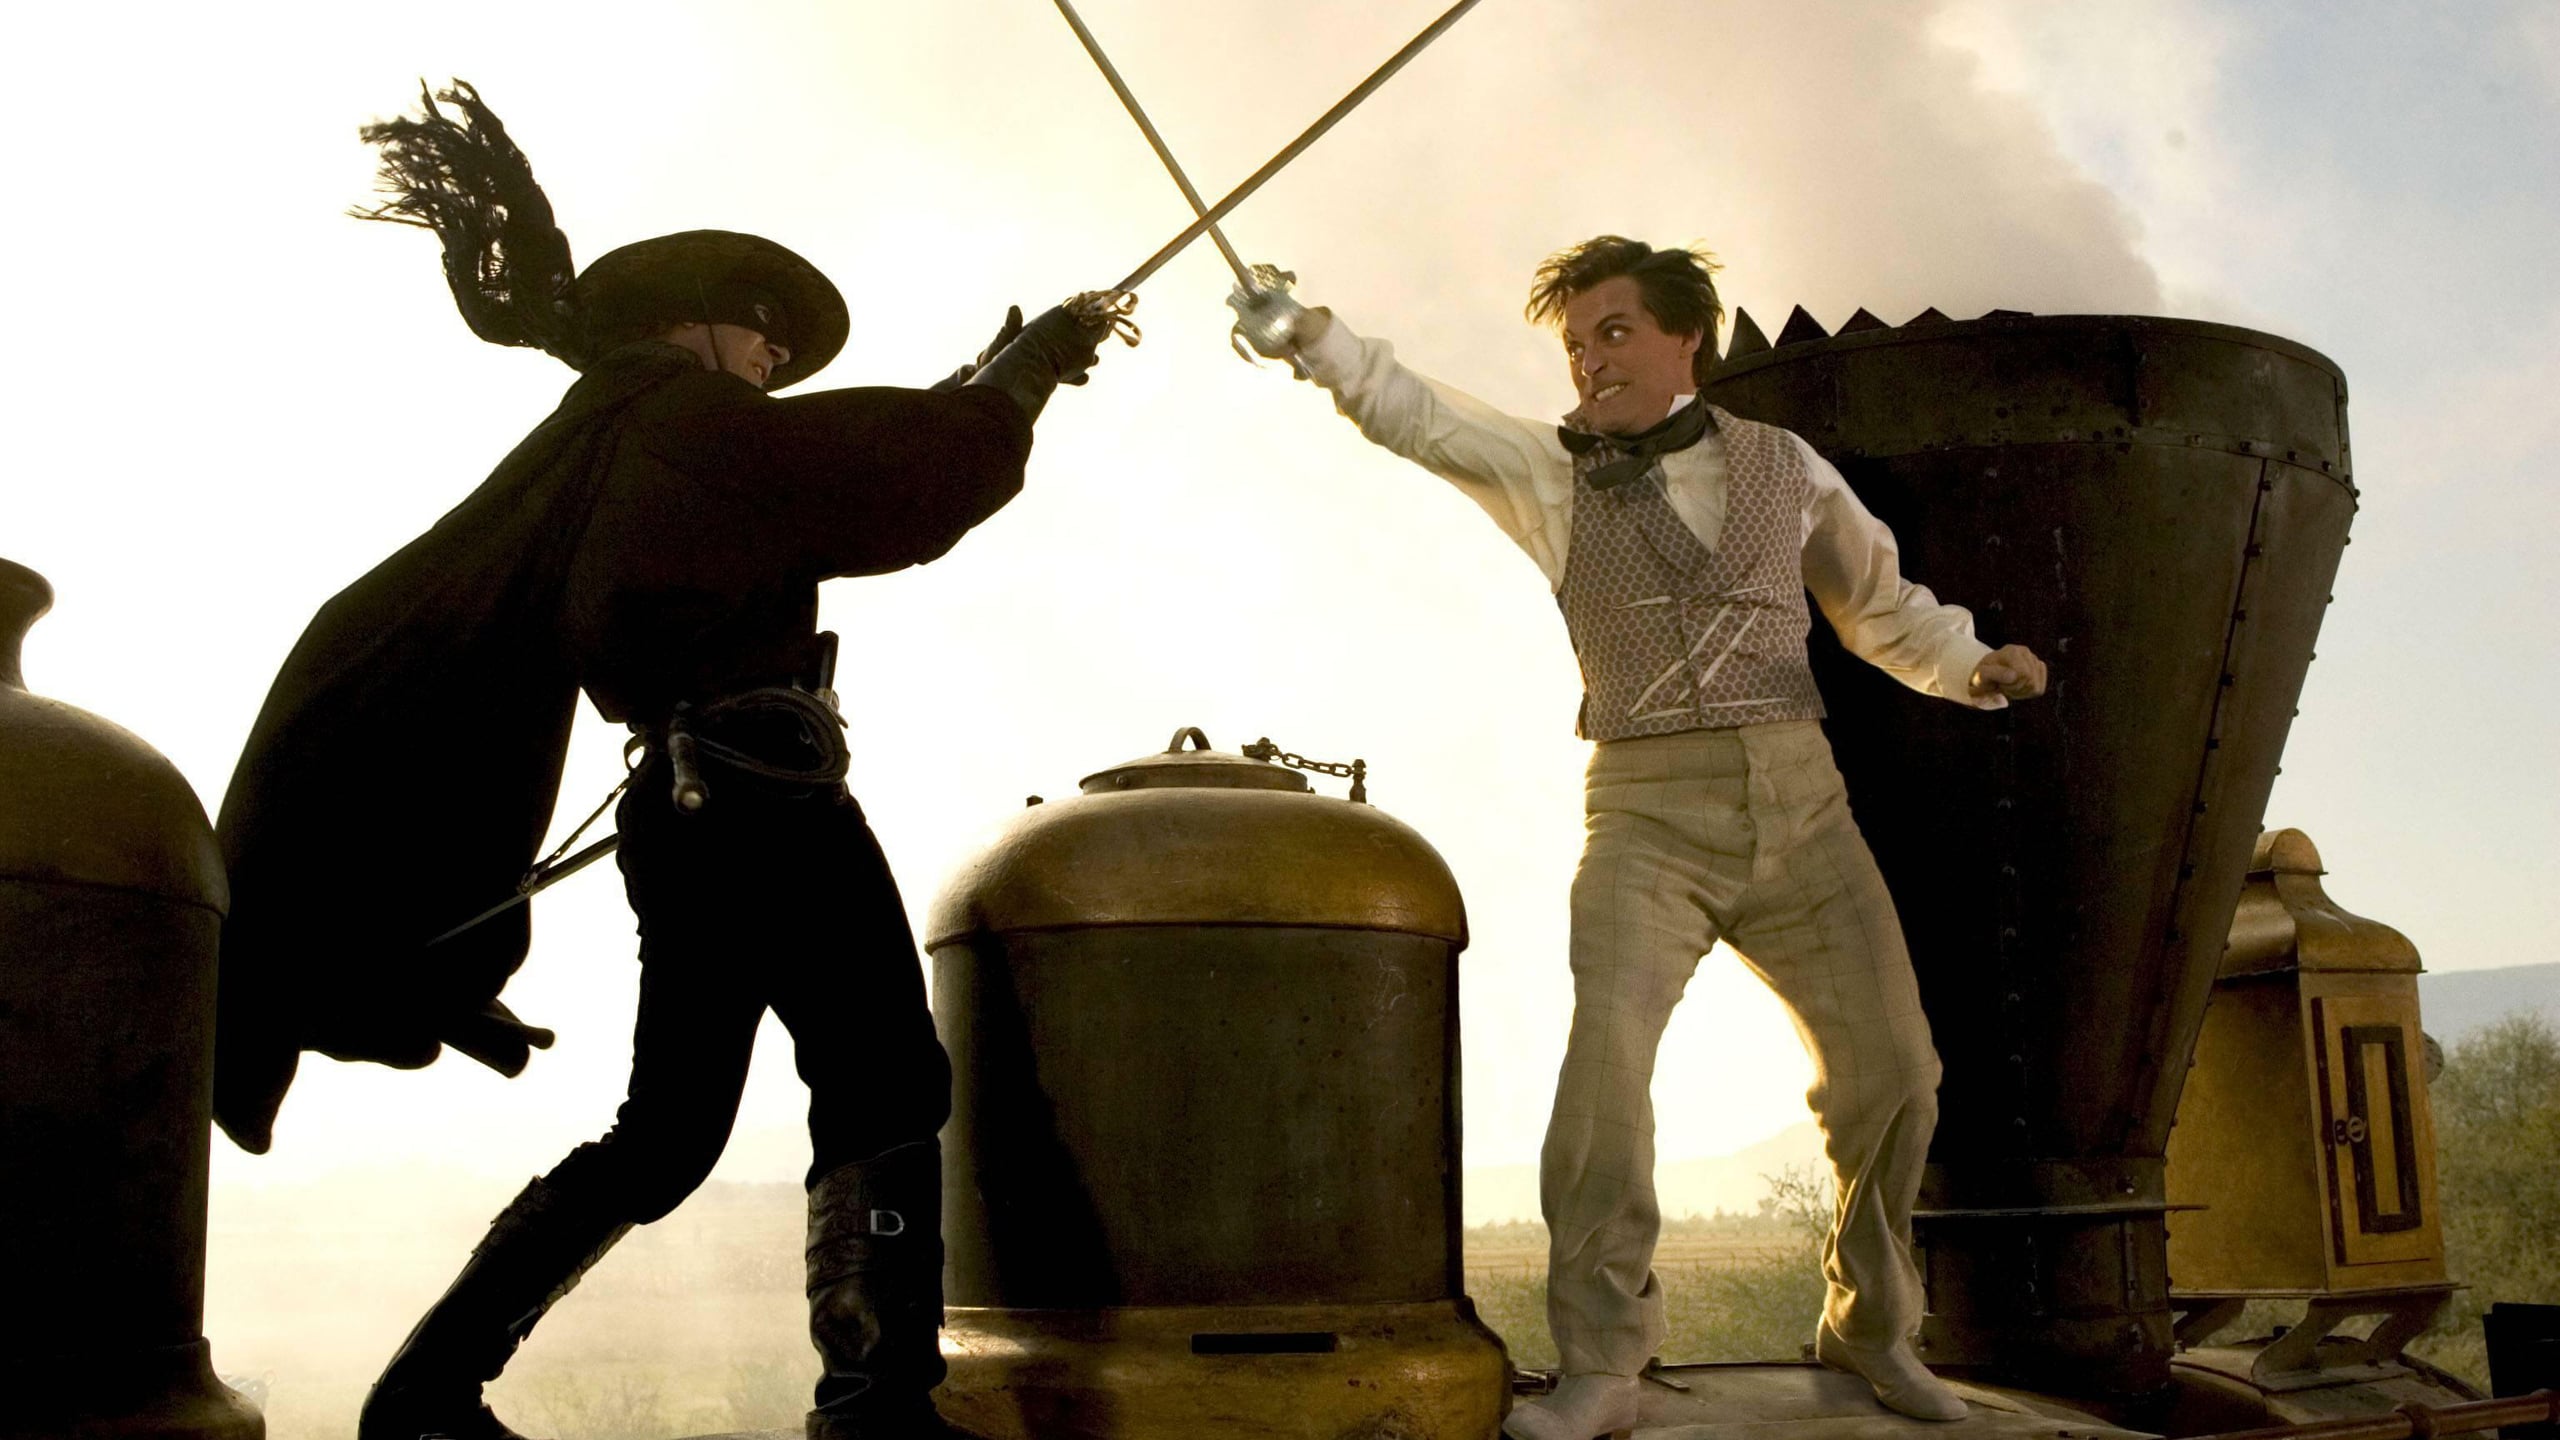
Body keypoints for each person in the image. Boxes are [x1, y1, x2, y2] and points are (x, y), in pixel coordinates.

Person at [210, 84, 1125, 1440]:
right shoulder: (683, 425)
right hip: (761, 802)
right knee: (883, 1080)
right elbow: (892, 481)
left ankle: (425, 1394)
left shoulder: (626, 439)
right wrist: (1021, 380)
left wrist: (973, 392)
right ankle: (875, 1413)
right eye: (760, 329)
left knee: (670, 1133)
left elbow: (828, 466)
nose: (773, 355)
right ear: (690, 324)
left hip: (691, 809)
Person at [1229, 237, 2047, 1440]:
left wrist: (1973, 667)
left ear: (1684, 339)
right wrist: (1308, 335)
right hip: (1646, 811)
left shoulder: (1786, 465)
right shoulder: (1546, 470)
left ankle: (1870, 1330)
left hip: (1805, 804)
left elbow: (1879, 609)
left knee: (1896, 1076)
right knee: (1605, 1081)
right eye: (1573, 346)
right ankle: (1603, 1365)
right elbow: (1415, 415)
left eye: (1611, 333)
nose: (1588, 363)